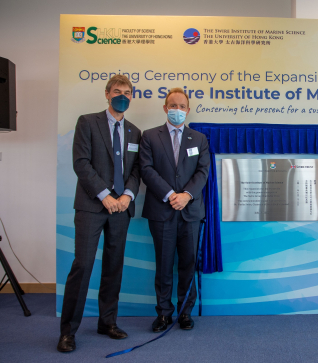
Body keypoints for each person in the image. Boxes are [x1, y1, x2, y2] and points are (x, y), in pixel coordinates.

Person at [58, 75, 141, 352]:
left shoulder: (134, 131)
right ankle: (68, 331)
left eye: (127, 92)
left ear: (132, 97)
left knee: (113, 266)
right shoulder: (87, 122)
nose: (122, 96)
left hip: (121, 209)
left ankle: (108, 322)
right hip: (92, 206)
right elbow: (81, 163)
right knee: (82, 266)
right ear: (107, 94)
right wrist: (105, 196)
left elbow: (135, 171)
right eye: (117, 91)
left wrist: (126, 197)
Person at [139, 88, 210, 333]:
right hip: (162, 211)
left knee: (188, 264)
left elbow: (203, 172)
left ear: (188, 110)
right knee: (163, 264)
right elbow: (146, 170)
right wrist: (171, 195)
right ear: (165, 108)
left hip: (190, 212)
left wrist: (186, 195)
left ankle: (184, 312)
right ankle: (163, 314)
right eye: (173, 105)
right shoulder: (149, 136)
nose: (177, 110)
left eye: (182, 106)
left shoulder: (199, 139)